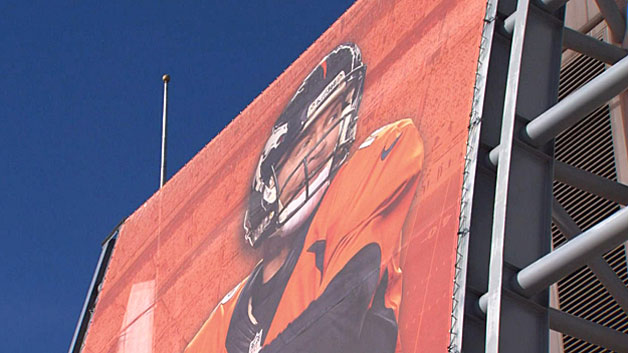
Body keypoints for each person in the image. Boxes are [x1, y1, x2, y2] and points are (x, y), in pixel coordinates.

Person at [185, 43, 423, 353]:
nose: (323, 146)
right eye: (306, 140)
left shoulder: (346, 203)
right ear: (268, 182)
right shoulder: (224, 322)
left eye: (333, 120)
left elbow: (337, 318)